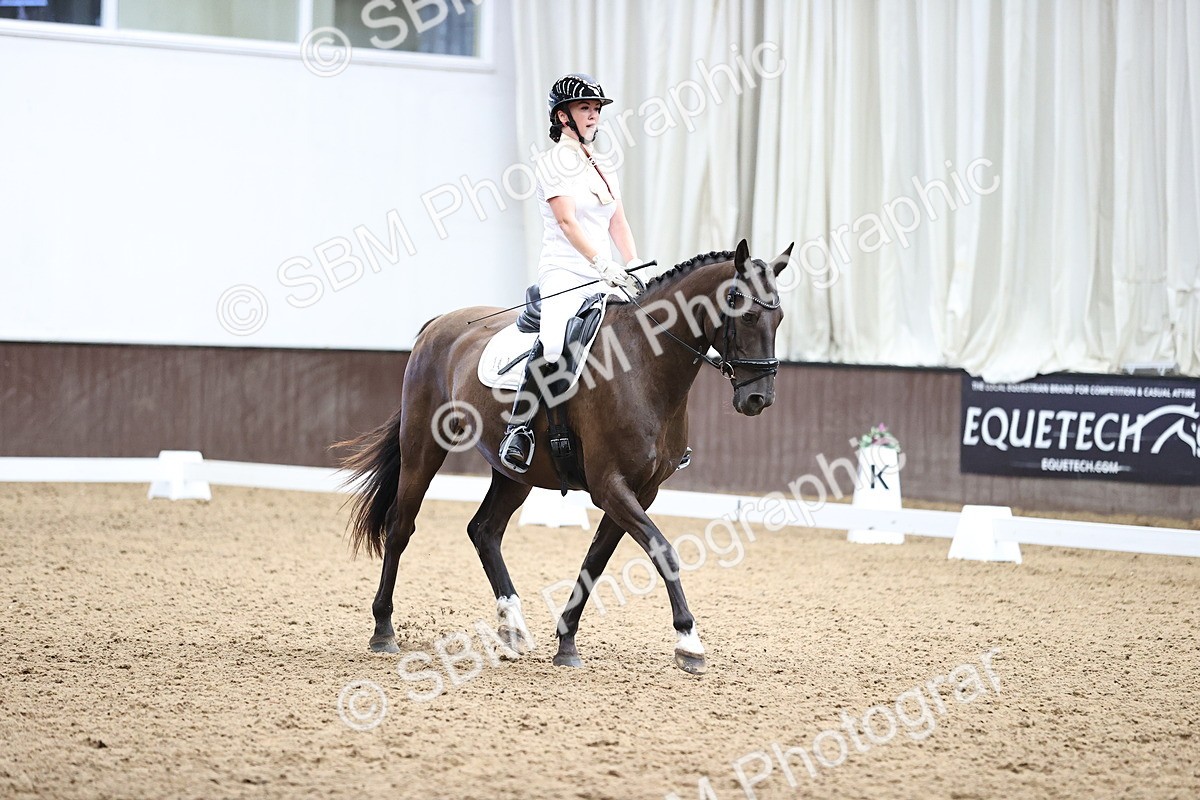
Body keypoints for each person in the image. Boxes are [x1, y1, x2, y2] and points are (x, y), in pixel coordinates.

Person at [498, 73, 643, 473]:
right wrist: (602, 263)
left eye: (597, 109)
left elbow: (619, 222)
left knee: (646, 330)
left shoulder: (604, 163)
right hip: (565, 270)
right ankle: (521, 428)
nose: (594, 116)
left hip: (607, 273)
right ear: (563, 117)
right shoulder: (552, 162)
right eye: (586, 109)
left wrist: (634, 267)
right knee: (553, 344)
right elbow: (567, 222)